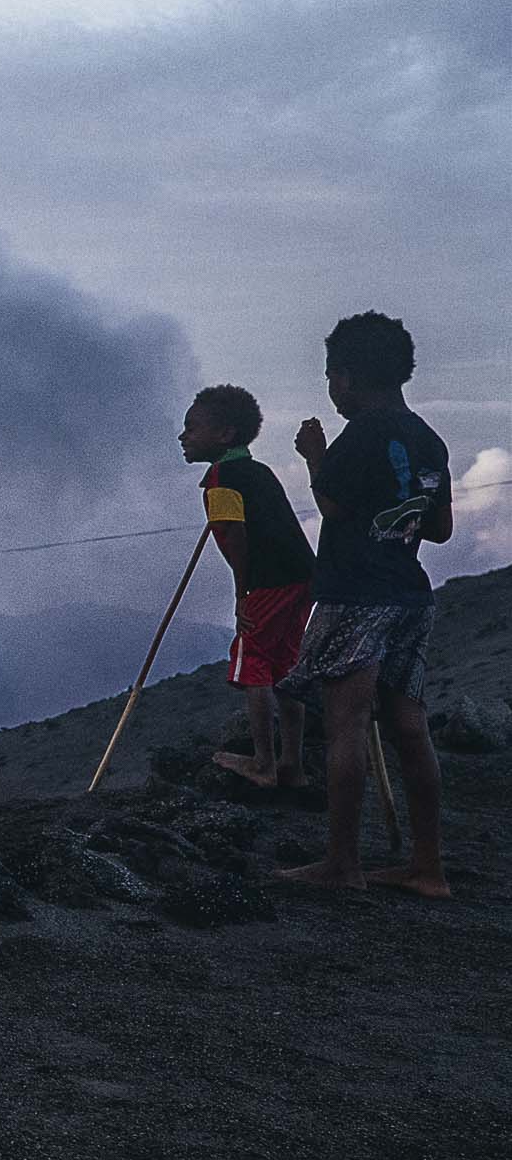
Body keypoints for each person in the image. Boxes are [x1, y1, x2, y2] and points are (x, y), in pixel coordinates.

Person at [275, 313, 453, 896]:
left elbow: (334, 507)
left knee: (345, 726)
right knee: (410, 726)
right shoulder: (428, 439)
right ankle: (428, 868)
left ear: (347, 378)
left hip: (355, 593)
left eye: (331, 376)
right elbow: (443, 529)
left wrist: (313, 457)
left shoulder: (360, 436)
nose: (331, 388)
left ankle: (342, 864)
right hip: (409, 593)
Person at [178, 385, 315, 790]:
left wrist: (243, 595)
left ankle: (263, 764)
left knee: (252, 659)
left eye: (191, 428)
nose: (183, 436)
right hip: (303, 576)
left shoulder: (221, 479)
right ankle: (293, 765)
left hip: (268, 579)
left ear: (224, 435)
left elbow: (233, 537)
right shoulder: (257, 472)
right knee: (284, 664)